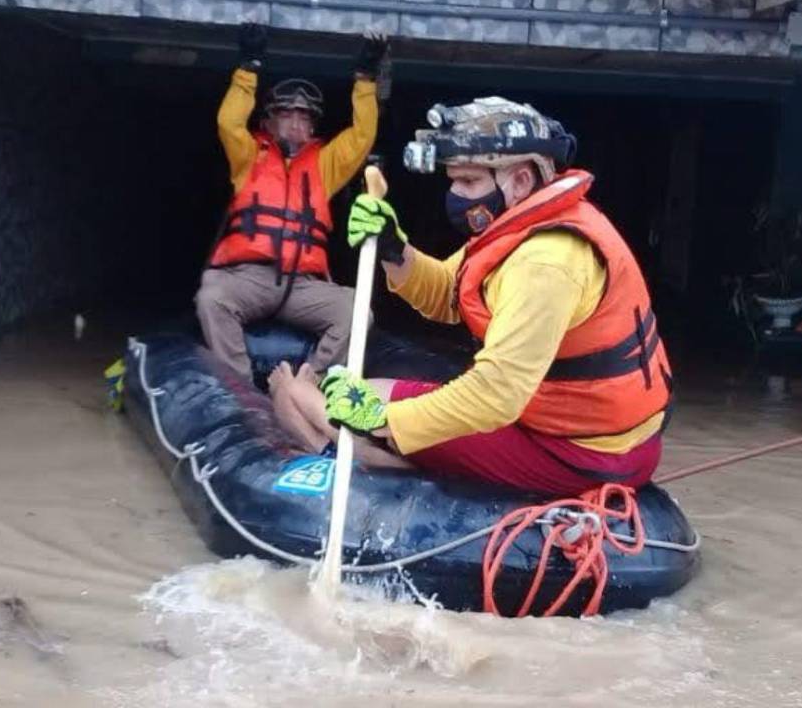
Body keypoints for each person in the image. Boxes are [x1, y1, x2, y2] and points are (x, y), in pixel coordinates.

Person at [268, 97, 673, 496]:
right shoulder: (522, 226)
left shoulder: (546, 263)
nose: (457, 195)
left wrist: (383, 420)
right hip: (567, 422)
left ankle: (371, 463)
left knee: (342, 413)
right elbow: (448, 292)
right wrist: (394, 251)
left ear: (520, 180)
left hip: (581, 452)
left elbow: (497, 395)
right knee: (369, 397)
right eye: (454, 181)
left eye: (469, 182)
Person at [195, 24, 388, 385]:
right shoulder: (249, 154)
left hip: (303, 284)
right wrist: (248, 67)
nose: (297, 124)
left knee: (355, 309)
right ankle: (241, 389)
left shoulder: (324, 164)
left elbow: (363, 135)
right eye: (287, 115)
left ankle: (307, 385)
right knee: (211, 299)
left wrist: (366, 79)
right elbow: (228, 121)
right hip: (249, 277)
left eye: (304, 118)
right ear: (268, 121)